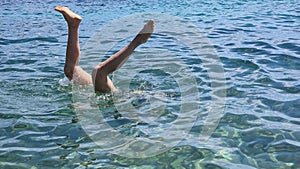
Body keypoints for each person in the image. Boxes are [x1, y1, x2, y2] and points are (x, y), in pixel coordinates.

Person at [55, 6, 154, 92]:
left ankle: (73, 25)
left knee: (71, 70)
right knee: (91, 72)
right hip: (116, 95)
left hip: (112, 96)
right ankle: (138, 41)